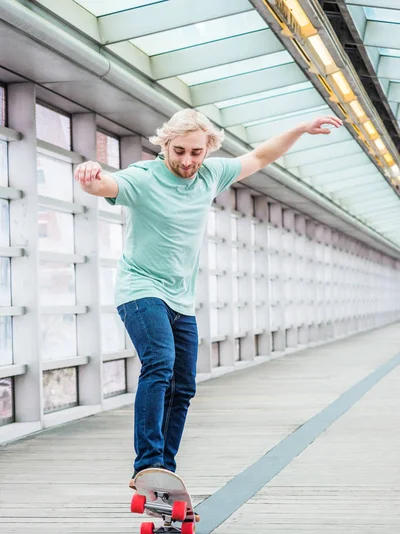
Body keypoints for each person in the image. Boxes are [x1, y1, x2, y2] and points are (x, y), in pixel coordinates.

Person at [74, 108, 342, 488]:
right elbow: (104, 186)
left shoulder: (211, 175)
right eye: (179, 151)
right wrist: (89, 175)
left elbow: (261, 156)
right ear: (165, 145)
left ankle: (162, 472)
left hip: (182, 300)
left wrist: (300, 127)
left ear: (208, 150)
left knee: (184, 385)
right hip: (140, 289)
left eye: (196, 153)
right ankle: (146, 463)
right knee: (160, 363)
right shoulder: (143, 178)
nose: (187, 161)